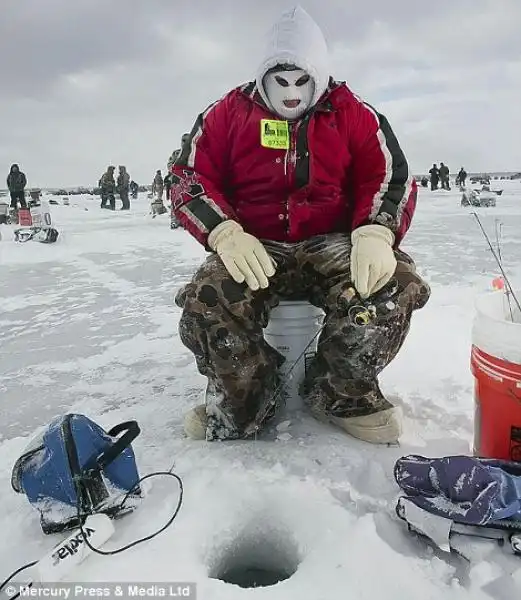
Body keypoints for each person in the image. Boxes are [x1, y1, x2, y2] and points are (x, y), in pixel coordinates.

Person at [171, 6, 430, 444]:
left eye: (301, 81)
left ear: (319, 76)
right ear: (262, 78)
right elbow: (189, 177)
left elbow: (389, 175)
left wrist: (375, 232)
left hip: (331, 242)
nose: (291, 93)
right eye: (280, 82)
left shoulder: (354, 114)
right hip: (256, 243)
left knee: (393, 284)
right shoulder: (225, 115)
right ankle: (244, 399)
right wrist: (225, 232)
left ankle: (341, 392)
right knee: (209, 296)